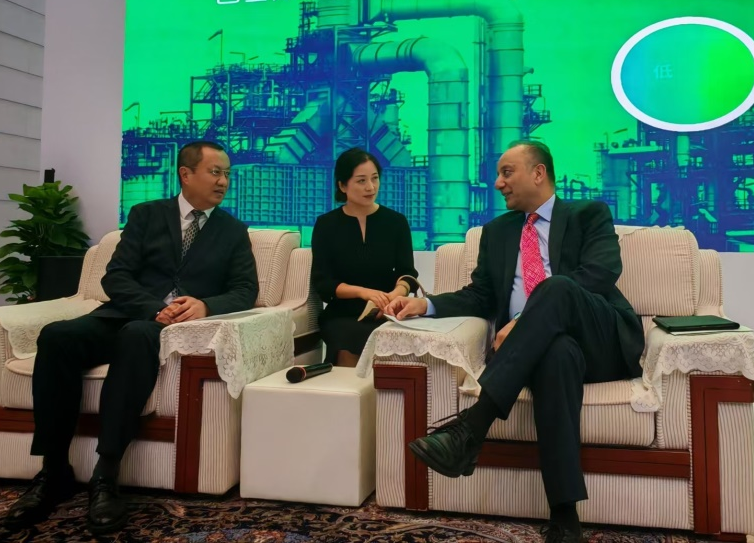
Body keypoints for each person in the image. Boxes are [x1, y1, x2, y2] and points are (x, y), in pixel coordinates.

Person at [385, 141, 644, 543]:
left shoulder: (588, 214)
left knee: (556, 287)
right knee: (556, 355)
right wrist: (427, 304)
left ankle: (472, 427)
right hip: (547, 352)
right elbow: (481, 296)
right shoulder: (497, 232)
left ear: (538, 173)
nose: (497, 182)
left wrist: (523, 320)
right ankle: (565, 517)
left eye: (507, 173)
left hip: (600, 340)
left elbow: (600, 273)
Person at [3, 141, 259, 535]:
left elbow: (245, 290)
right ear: (186, 174)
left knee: (138, 336)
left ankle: (106, 474)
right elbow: (116, 276)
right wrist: (153, 307)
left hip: (172, 330)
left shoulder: (233, 230)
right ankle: (53, 471)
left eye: (227, 174)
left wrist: (205, 305)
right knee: (57, 336)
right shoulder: (146, 215)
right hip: (129, 313)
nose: (223, 181)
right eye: (215, 172)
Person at [311, 147, 419, 367]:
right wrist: (363, 292)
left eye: (375, 178)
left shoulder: (396, 222)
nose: (371, 187)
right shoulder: (326, 224)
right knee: (347, 340)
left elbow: (408, 274)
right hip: (343, 313)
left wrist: (394, 296)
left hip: (387, 312)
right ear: (343, 185)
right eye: (361, 181)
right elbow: (324, 283)